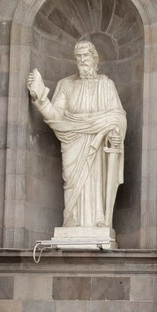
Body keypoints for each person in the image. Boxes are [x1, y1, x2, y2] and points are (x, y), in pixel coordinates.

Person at [27, 40, 127, 231]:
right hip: (72, 139)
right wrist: (39, 98)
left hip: (97, 141)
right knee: (71, 179)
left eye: (86, 56)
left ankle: (99, 218)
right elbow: (55, 115)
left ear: (94, 58)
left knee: (96, 178)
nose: (82, 60)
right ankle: (71, 218)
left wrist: (116, 134)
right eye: (79, 57)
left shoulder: (106, 85)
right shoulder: (66, 85)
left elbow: (117, 116)